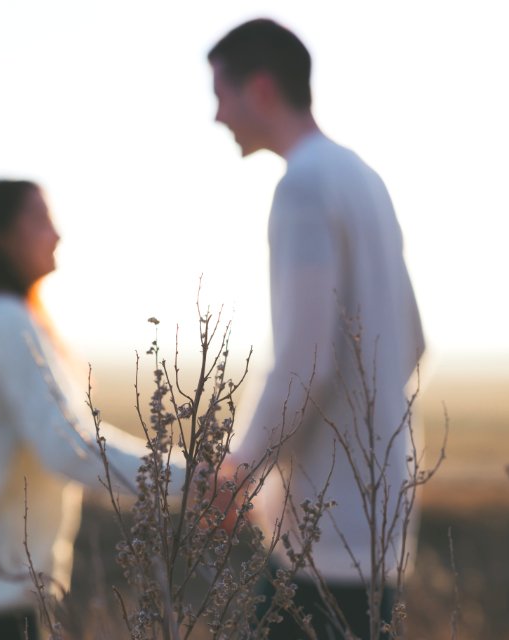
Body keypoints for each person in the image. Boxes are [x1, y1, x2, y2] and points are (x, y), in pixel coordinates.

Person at [208, 19, 425, 639]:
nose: (216, 114)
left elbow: (306, 364)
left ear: (262, 90)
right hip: (379, 514)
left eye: (221, 93)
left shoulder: (302, 187)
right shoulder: (363, 178)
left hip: (322, 529)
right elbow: (413, 340)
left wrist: (239, 471)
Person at [0, 180, 179, 640]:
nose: (55, 233)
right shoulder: (2, 320)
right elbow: (70, 448)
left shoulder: (6, 318)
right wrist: (193, 483)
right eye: (38, 219)